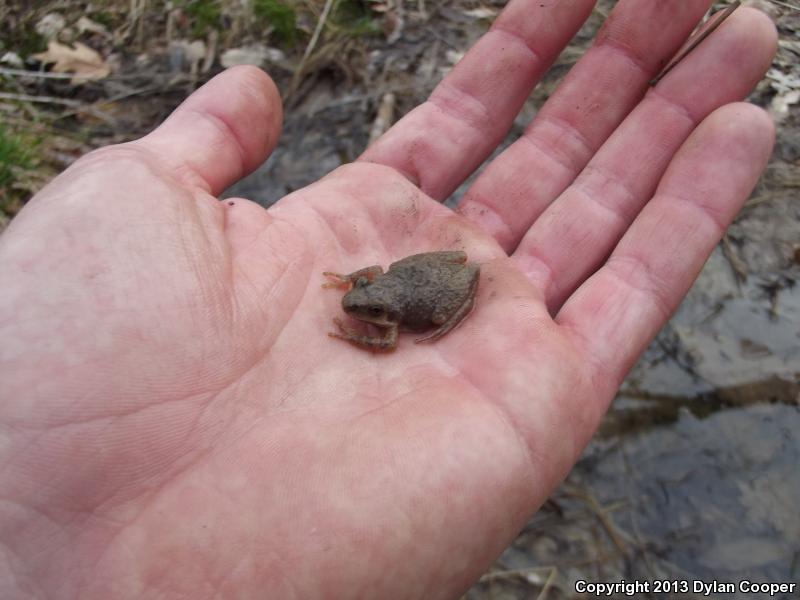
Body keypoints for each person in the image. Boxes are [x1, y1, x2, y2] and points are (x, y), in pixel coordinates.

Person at [0, 0, 777, 597]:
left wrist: (362, 324)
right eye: (358, 308)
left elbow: (389, 332)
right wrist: (347, 286)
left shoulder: (385, 322)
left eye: (359, 311)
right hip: (421, 272)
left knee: (425, 314)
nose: (355, 313)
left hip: (434, 292)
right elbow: (364, 280)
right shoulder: (368, 292)